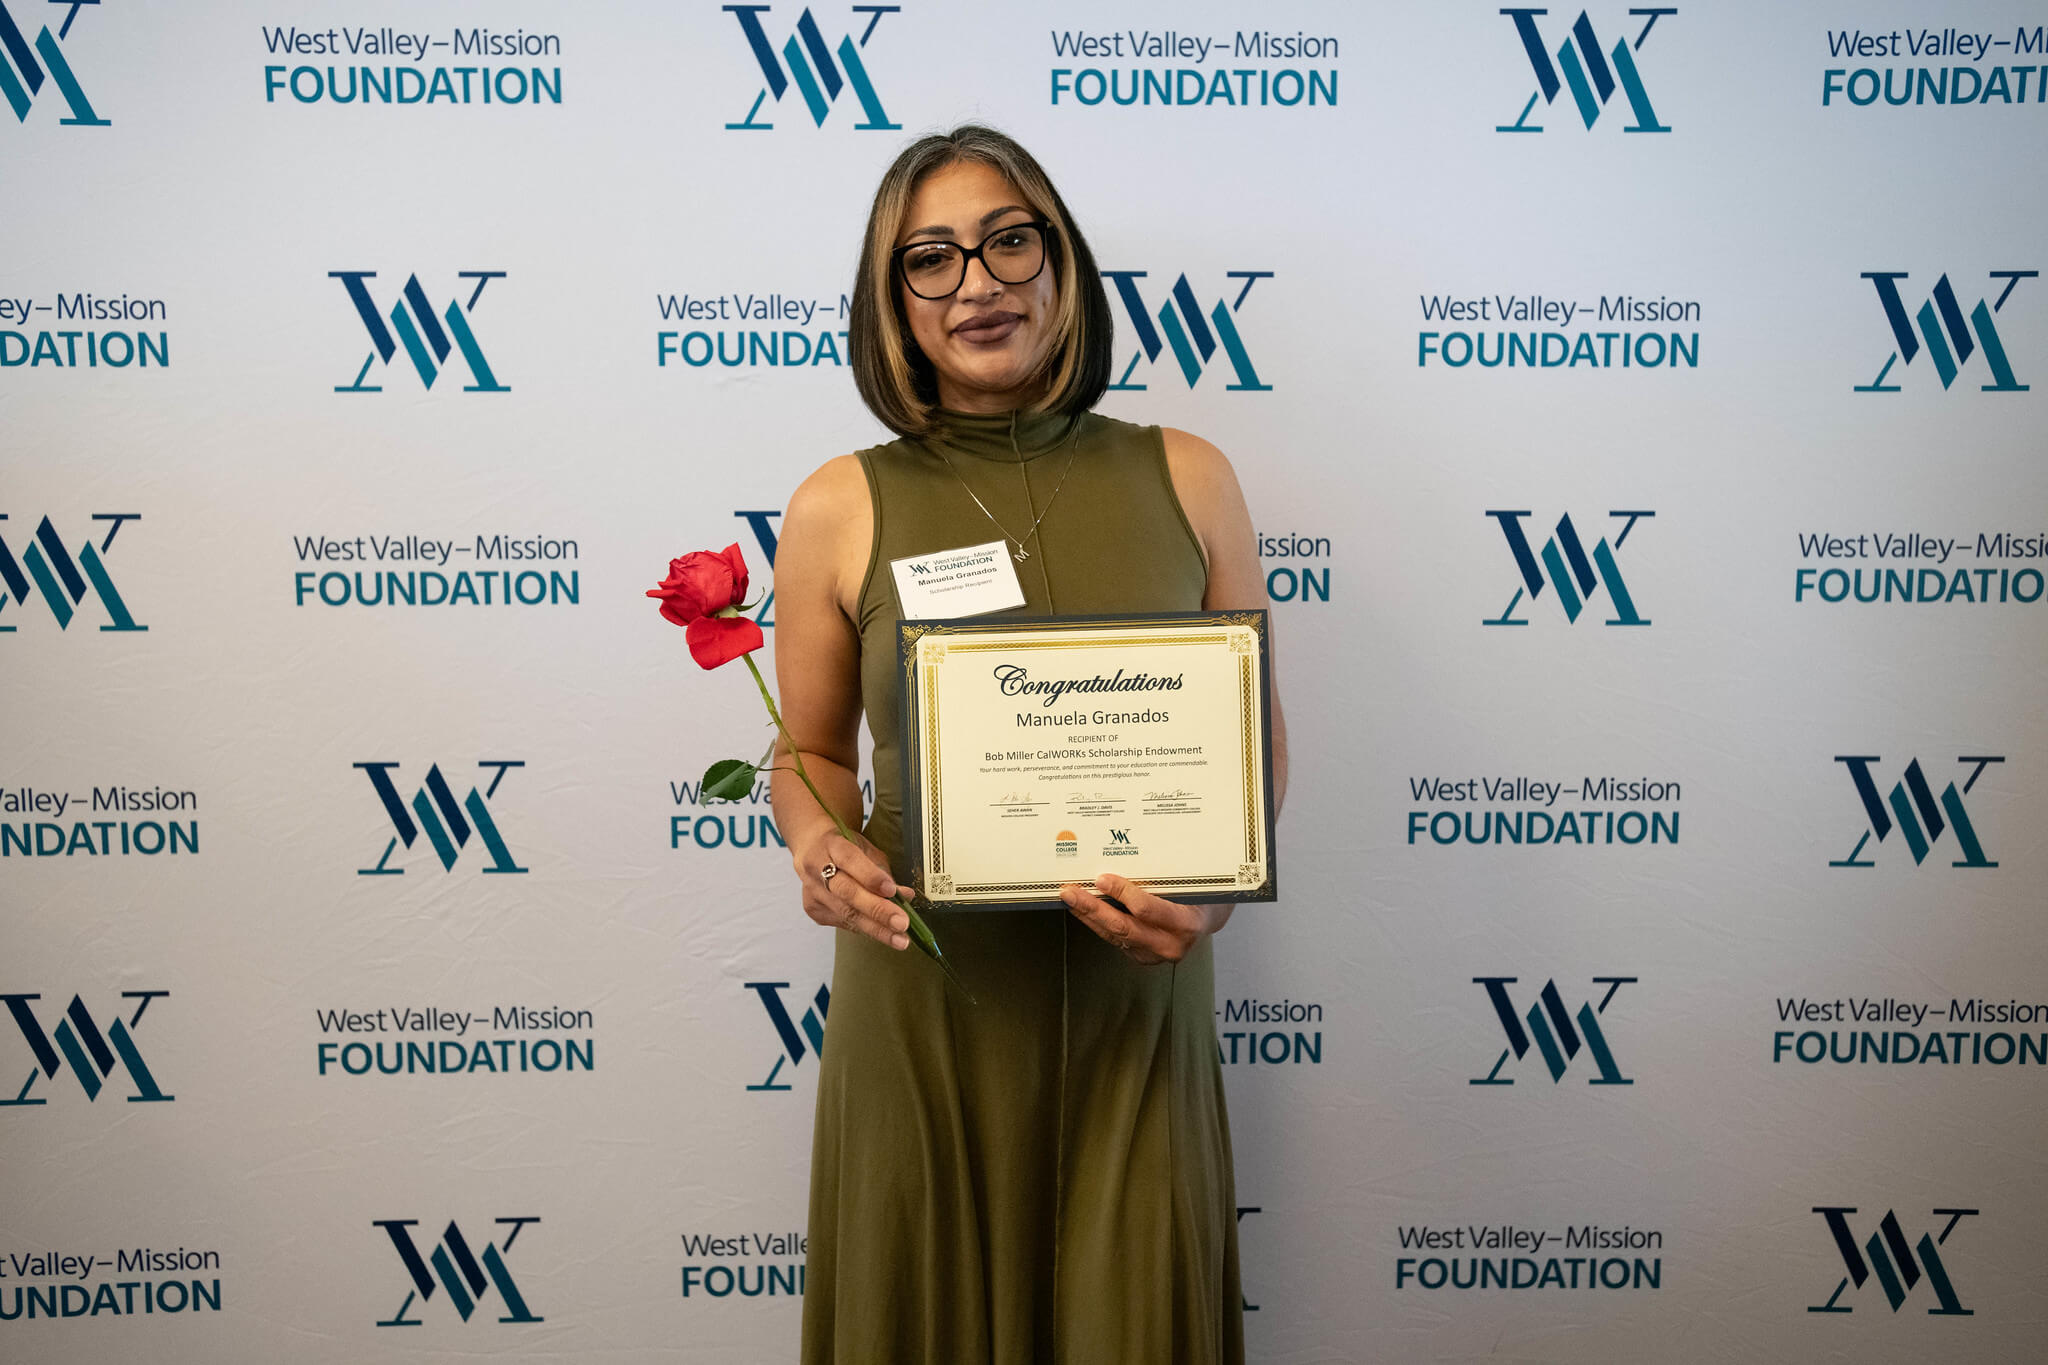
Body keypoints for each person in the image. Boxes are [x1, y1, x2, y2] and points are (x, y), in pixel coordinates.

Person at [769, 124, 1289, 1365]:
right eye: (930, 259)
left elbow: (1253, 737)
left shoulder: (1190, 473)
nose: (979, 284)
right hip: (929, 995)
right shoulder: (838, 501)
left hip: (1137, 999)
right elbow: (811, 755)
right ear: (889, 302)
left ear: (1060, 261)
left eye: (1010, 241)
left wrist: (1209, 908)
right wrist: (815, 844)